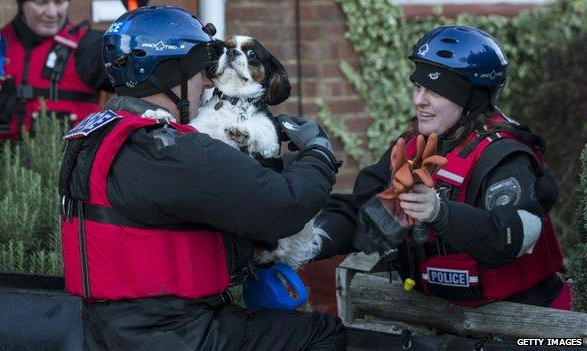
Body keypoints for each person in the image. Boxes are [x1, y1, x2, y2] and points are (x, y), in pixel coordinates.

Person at [58, 6, 346, 350]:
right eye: (197, 72)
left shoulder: (97, 136)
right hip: (179, 333)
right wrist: (318, 152)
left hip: (108, 330)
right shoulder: (170, 150)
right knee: (323, 331)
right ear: (168, 74)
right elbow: (285, 207)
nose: (207, 81)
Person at [313, 25, 570, 309]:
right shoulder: (412, 144)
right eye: (418, 87)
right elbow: (358, 212)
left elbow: (510, 237)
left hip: (519, 317)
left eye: (434, 90)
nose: (418, 100)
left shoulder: (505, 155)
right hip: (436, 314)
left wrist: (439, 211)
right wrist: (304, 242)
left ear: (472, 99)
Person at [0, 0, 113, 144]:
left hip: (67, 165)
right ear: (21, 4)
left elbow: (133, 89)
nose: (52, 13)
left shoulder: (89, 46)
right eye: (41, 2)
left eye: (59, 2)